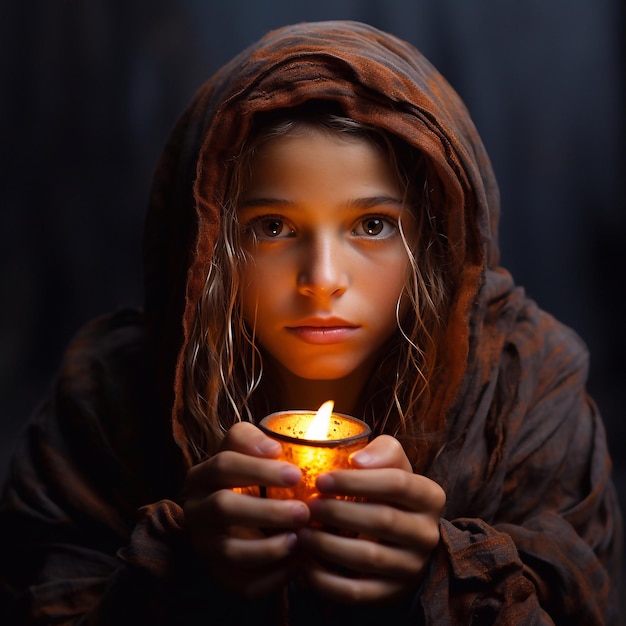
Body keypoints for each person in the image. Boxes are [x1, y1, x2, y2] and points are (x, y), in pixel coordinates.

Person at [0, 20, 621, 625]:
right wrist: (184, 573)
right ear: (208, 242)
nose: (322, 278)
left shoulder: (523, 393)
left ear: (437, 240)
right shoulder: (109, 397)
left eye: (373, 224)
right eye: (273, 227)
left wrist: (434, 582)